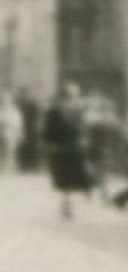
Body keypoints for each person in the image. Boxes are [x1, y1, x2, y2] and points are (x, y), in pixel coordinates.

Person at [42, 85, 91, 215]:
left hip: (75, 146)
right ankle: (67, 203)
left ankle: (70, 201)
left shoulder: (79, 111)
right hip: (62, 146)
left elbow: (84, 128)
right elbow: (48, 130)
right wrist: (51, 144)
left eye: (75, 96)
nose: (73, 99)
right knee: (64, 177)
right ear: (64, 97)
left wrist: (84, 139)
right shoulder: (54, 111)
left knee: (73, 176)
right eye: (70, 96)